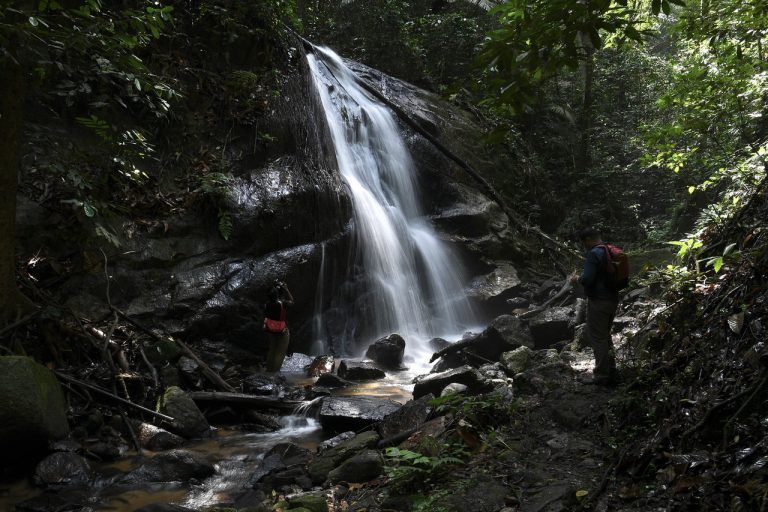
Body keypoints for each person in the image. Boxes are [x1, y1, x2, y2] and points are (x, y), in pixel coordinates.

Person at [570, 228, 619, 385]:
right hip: (612, 299)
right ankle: (611, 369)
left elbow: (587, 279)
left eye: (584, 242)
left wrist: (576, 279)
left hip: (598, 301)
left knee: (597, 338)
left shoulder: (593, 254)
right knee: (605, 335)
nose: (584, 246)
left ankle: (602, 375)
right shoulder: (609, 250)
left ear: (589, 239)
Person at [263, 280, 294, 373]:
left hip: (270, 330)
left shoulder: (267, 304)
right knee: (280, 353)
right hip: (282, 331)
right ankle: (275, 373)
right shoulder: (282, 304)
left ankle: (268, 371)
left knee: (272, 350)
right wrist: (286, 289)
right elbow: (292, 301)